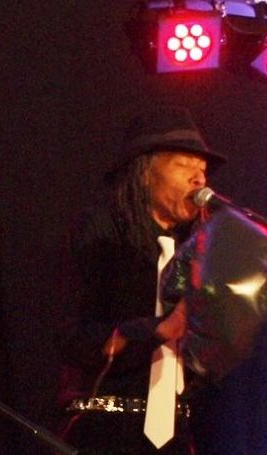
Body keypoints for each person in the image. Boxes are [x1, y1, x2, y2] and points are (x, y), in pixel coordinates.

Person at [57, 106, 228, 454]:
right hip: (105, 430)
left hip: (176, 436)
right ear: (145, 172)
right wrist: (156, 329)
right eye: (184, 165)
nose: (199, 180)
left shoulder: (195, 253)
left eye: (202, 171)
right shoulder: (102, 234)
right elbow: (72, 337)